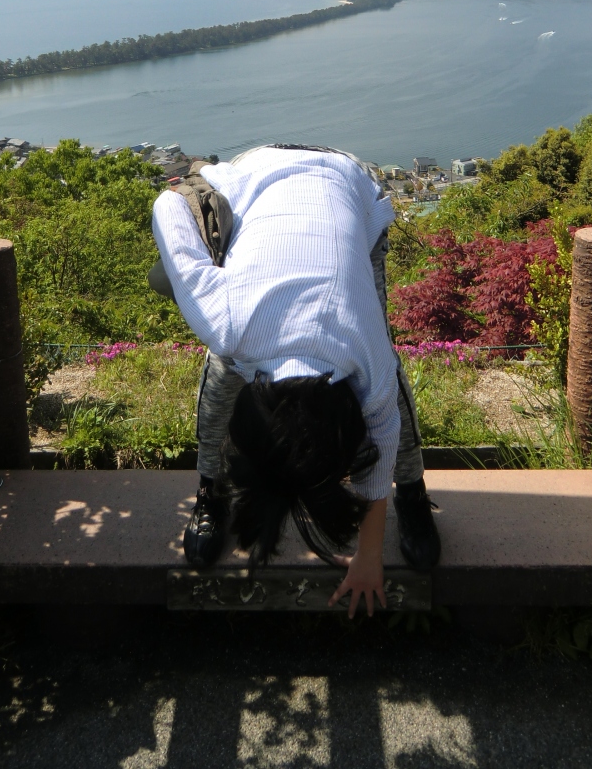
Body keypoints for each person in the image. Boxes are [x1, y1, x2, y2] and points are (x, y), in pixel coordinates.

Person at [151, 145, 440, 618]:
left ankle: (411, 490)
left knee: (385, 382)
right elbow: (168, 205)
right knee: (222, 376)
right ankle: (210, 489)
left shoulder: (362, 353)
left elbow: (383, 432)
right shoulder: (228, 323)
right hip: (268, 187)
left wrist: (369, 555)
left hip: (340, 183)